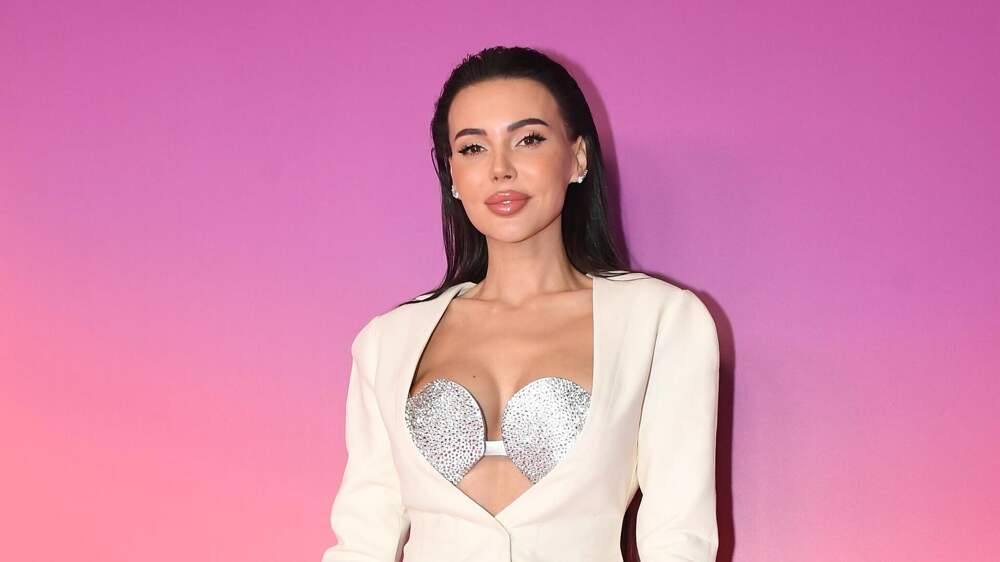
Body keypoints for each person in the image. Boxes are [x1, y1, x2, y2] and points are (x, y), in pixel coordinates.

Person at [321, 45, 720, 562]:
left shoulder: (660, 321)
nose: (500, 169)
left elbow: (679, 540)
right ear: (452, 176)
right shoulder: (388, 340)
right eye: (473, 148)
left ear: (578, 157)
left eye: (528, 139)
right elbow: (361, 541)